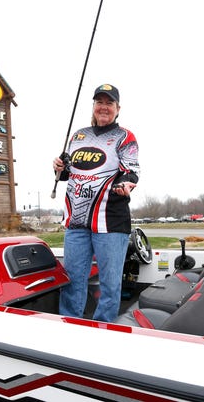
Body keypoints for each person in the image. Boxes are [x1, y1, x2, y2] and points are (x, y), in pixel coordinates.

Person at [52, 83, 140, 322]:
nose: (104, 107)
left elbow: (131, 171)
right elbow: (67, 174)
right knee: (72, 281)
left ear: (117, 108)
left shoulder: (125, 136)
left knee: (110, 285)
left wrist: (126, 184)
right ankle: (70, 326)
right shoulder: (78, 135)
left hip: (110, 223)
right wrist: (59, 167)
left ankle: (104, 331)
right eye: (99, 102)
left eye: (109, 103)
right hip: (76, 223)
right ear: (93, 106)